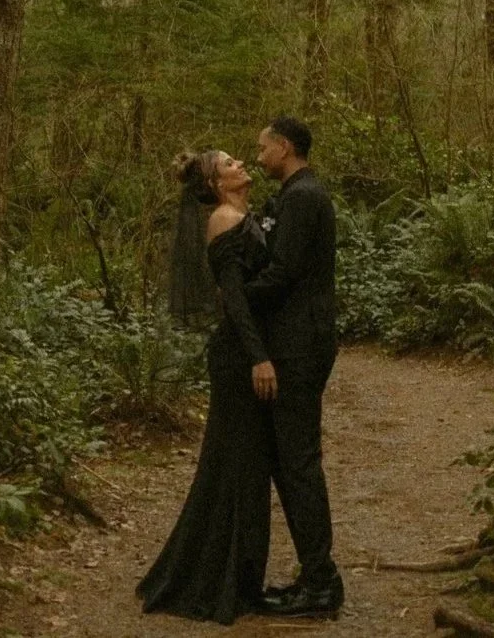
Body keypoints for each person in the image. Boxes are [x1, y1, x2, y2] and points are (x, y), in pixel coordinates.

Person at [136, 150, 277, 624]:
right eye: (230, 163)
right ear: (217, 183)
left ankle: (240, 578)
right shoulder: (222, 221)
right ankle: (213, 581)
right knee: (232, 467)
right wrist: (258, 357)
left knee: (249, 469)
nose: (241, 164)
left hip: (249, 352)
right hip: (238, 359)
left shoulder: (244, 214)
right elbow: (233, 298)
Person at [250, 116, 343, 619]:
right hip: (293, 340)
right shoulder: (292, 195)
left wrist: (235, 298)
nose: (258, 156)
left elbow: (284, 272)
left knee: (299, 461)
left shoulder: (305, 197)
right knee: (290, 460)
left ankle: (322, 582)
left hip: (301, 344)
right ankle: (314, 575)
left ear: (284, 147)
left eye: (263, 147)